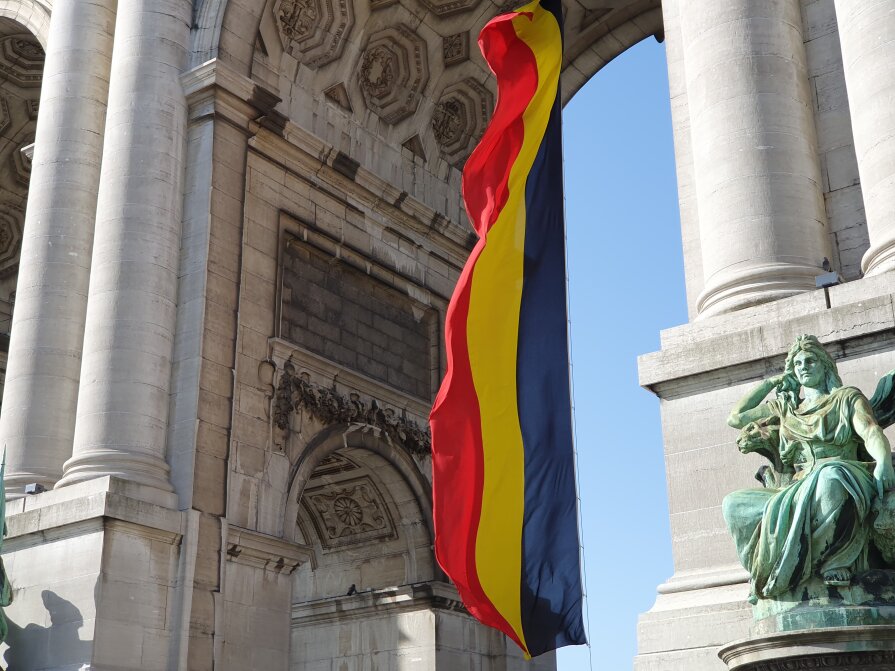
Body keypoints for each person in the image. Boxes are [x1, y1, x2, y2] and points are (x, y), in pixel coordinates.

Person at [724, 334, 895, 602]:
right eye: (798, 364)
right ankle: (770, 573)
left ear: (825, 366)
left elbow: (870, 431)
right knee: (734, 504)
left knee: (831, 476)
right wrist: (771, 382)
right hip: (799, 486)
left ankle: (833, 560)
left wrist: (883, 461)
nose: (804, 367)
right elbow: (735, 418)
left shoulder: (846, 398)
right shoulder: (786, 409)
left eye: (811, 361)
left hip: (847, 473)